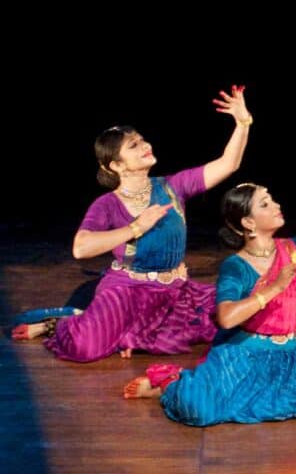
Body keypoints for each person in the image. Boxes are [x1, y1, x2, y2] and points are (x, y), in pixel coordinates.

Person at [122, 159, 296, 426]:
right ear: (248, 222)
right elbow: (226, 318)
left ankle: (270, 394)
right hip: (246, 355)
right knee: (197, 409)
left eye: (272, 200)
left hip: (293, 354)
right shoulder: (236, 266)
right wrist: (275, 288)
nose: (277, 205)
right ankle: (170, 383)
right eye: (265, 204)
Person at [13, 85, 254, 363]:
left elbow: (228, 163)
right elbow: (81, 248)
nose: (146, 145)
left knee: (242, 311)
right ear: (116, 165)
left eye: (142, 140)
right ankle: (57, 324)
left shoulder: (174, 187)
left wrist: (242, 123)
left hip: (174, 293)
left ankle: (125, 332)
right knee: (84, 348)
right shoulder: (107, 204)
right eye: (134, 145)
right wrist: (135, 228)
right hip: (127, 292)